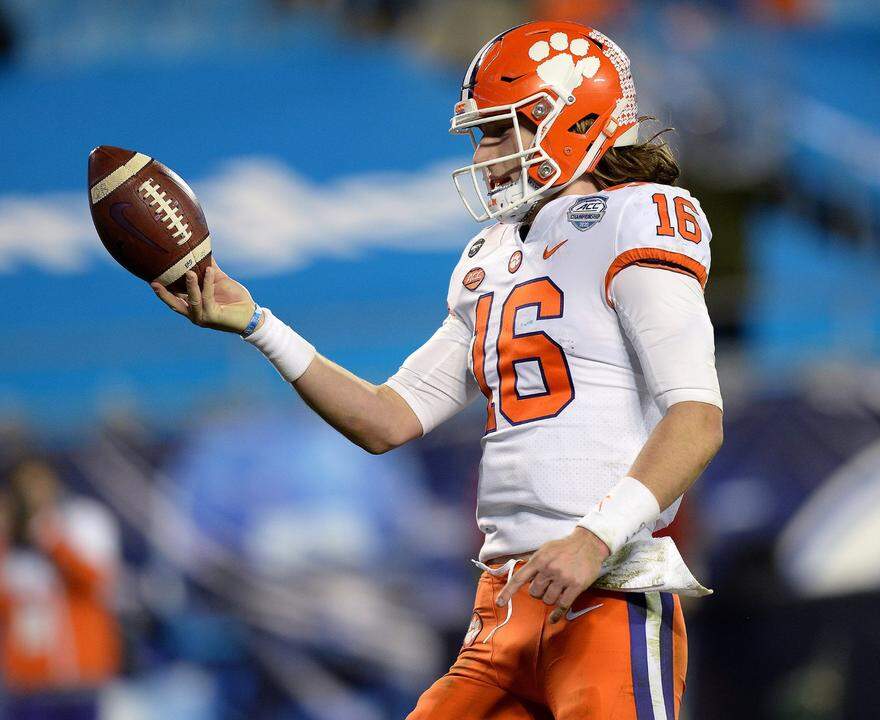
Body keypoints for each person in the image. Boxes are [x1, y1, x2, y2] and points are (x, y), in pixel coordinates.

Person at [150, 20, 722, 719]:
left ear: (570, 116)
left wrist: (595, 536)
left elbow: (696, 419)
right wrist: (256, 322)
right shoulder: (491, 257)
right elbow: (386, 418)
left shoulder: (641, 216)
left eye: (497, 130)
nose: (481, 154)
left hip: (604, 589)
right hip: (506, 603)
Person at [0, 458, 121, 720]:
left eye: (37, 481)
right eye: (23, 484)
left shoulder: (84, 519)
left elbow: (99, 582)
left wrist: (53, 540)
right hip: (29, 683)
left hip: (80, 679)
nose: (31, 491)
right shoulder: (10, 539)